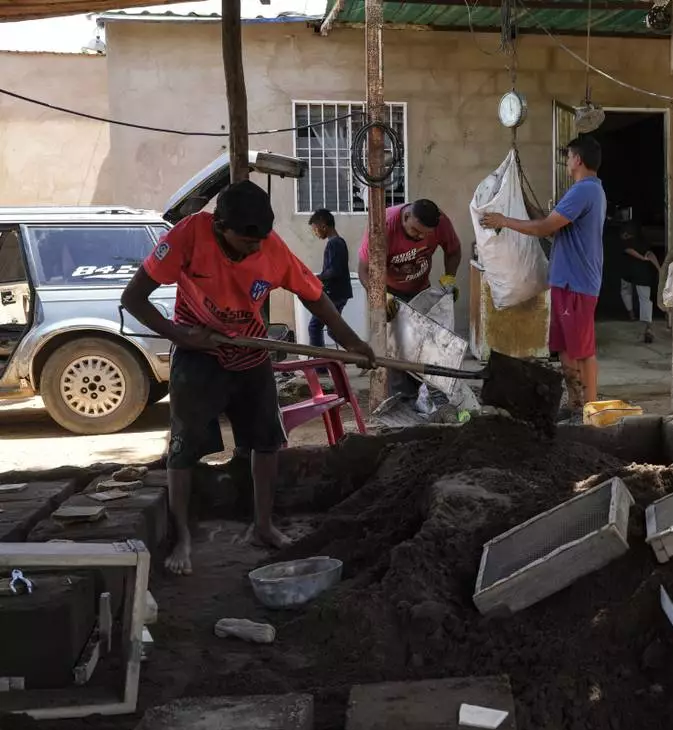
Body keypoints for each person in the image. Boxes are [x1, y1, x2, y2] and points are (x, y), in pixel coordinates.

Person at [122, 181, 374, 576]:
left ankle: (263, 525)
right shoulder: (188, 235)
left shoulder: (270, 247)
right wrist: (180, 335)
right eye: (246, 241)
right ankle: (183, 535)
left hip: (252, 352)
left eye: (261, 240)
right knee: (184, 448)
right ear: (220, 226)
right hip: (197, 353)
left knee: (266, 442)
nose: (255, 248)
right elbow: (133, 298)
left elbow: (316, 298)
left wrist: (355, 342)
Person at [481, 136, 607, 419]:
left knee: (583, 349)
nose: (566, 162)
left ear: (578, 160)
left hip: (577, 283)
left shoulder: (584, 190)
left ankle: (590, 408)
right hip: (566, 282)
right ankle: (576, 403)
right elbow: (553, 226)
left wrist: (504, 221)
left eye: (569, 157)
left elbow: (543, 228)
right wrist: (521, 199)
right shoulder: (587, 191)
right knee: (564, 347)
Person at [357, 198, 461, 400]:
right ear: (405, 217)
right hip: (390, 293)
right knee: (398, 348)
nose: (421, 237)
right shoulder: (383, 226)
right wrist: (380, 295)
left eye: (426, 234)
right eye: (416, 231)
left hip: (421, 289)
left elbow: (453, 250)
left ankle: (426, 395)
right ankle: (402, 399)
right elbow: (363, 270)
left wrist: (450, 277)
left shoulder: (441, 222)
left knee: (426, 344)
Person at [307, 209, 352, 349]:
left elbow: (334, 271)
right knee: (333, 331)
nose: (315, 233)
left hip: (334, 294)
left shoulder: (334, 243)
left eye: (315, 229)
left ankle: (320, 367)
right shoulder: (338, 242)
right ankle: (355, 353)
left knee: (314, 327)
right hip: (339, 293)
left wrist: (316, 277)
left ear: (323, 226)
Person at [610, 219, 660, 344]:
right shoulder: (643, 242)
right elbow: (650, 255)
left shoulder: (623, 242)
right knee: (645, 298)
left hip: (628, 272)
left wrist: (642, 258)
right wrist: (659, 269)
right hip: (643, 274)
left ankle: (631, 314)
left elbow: (629, 250)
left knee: (626, 291)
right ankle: (648, 325)